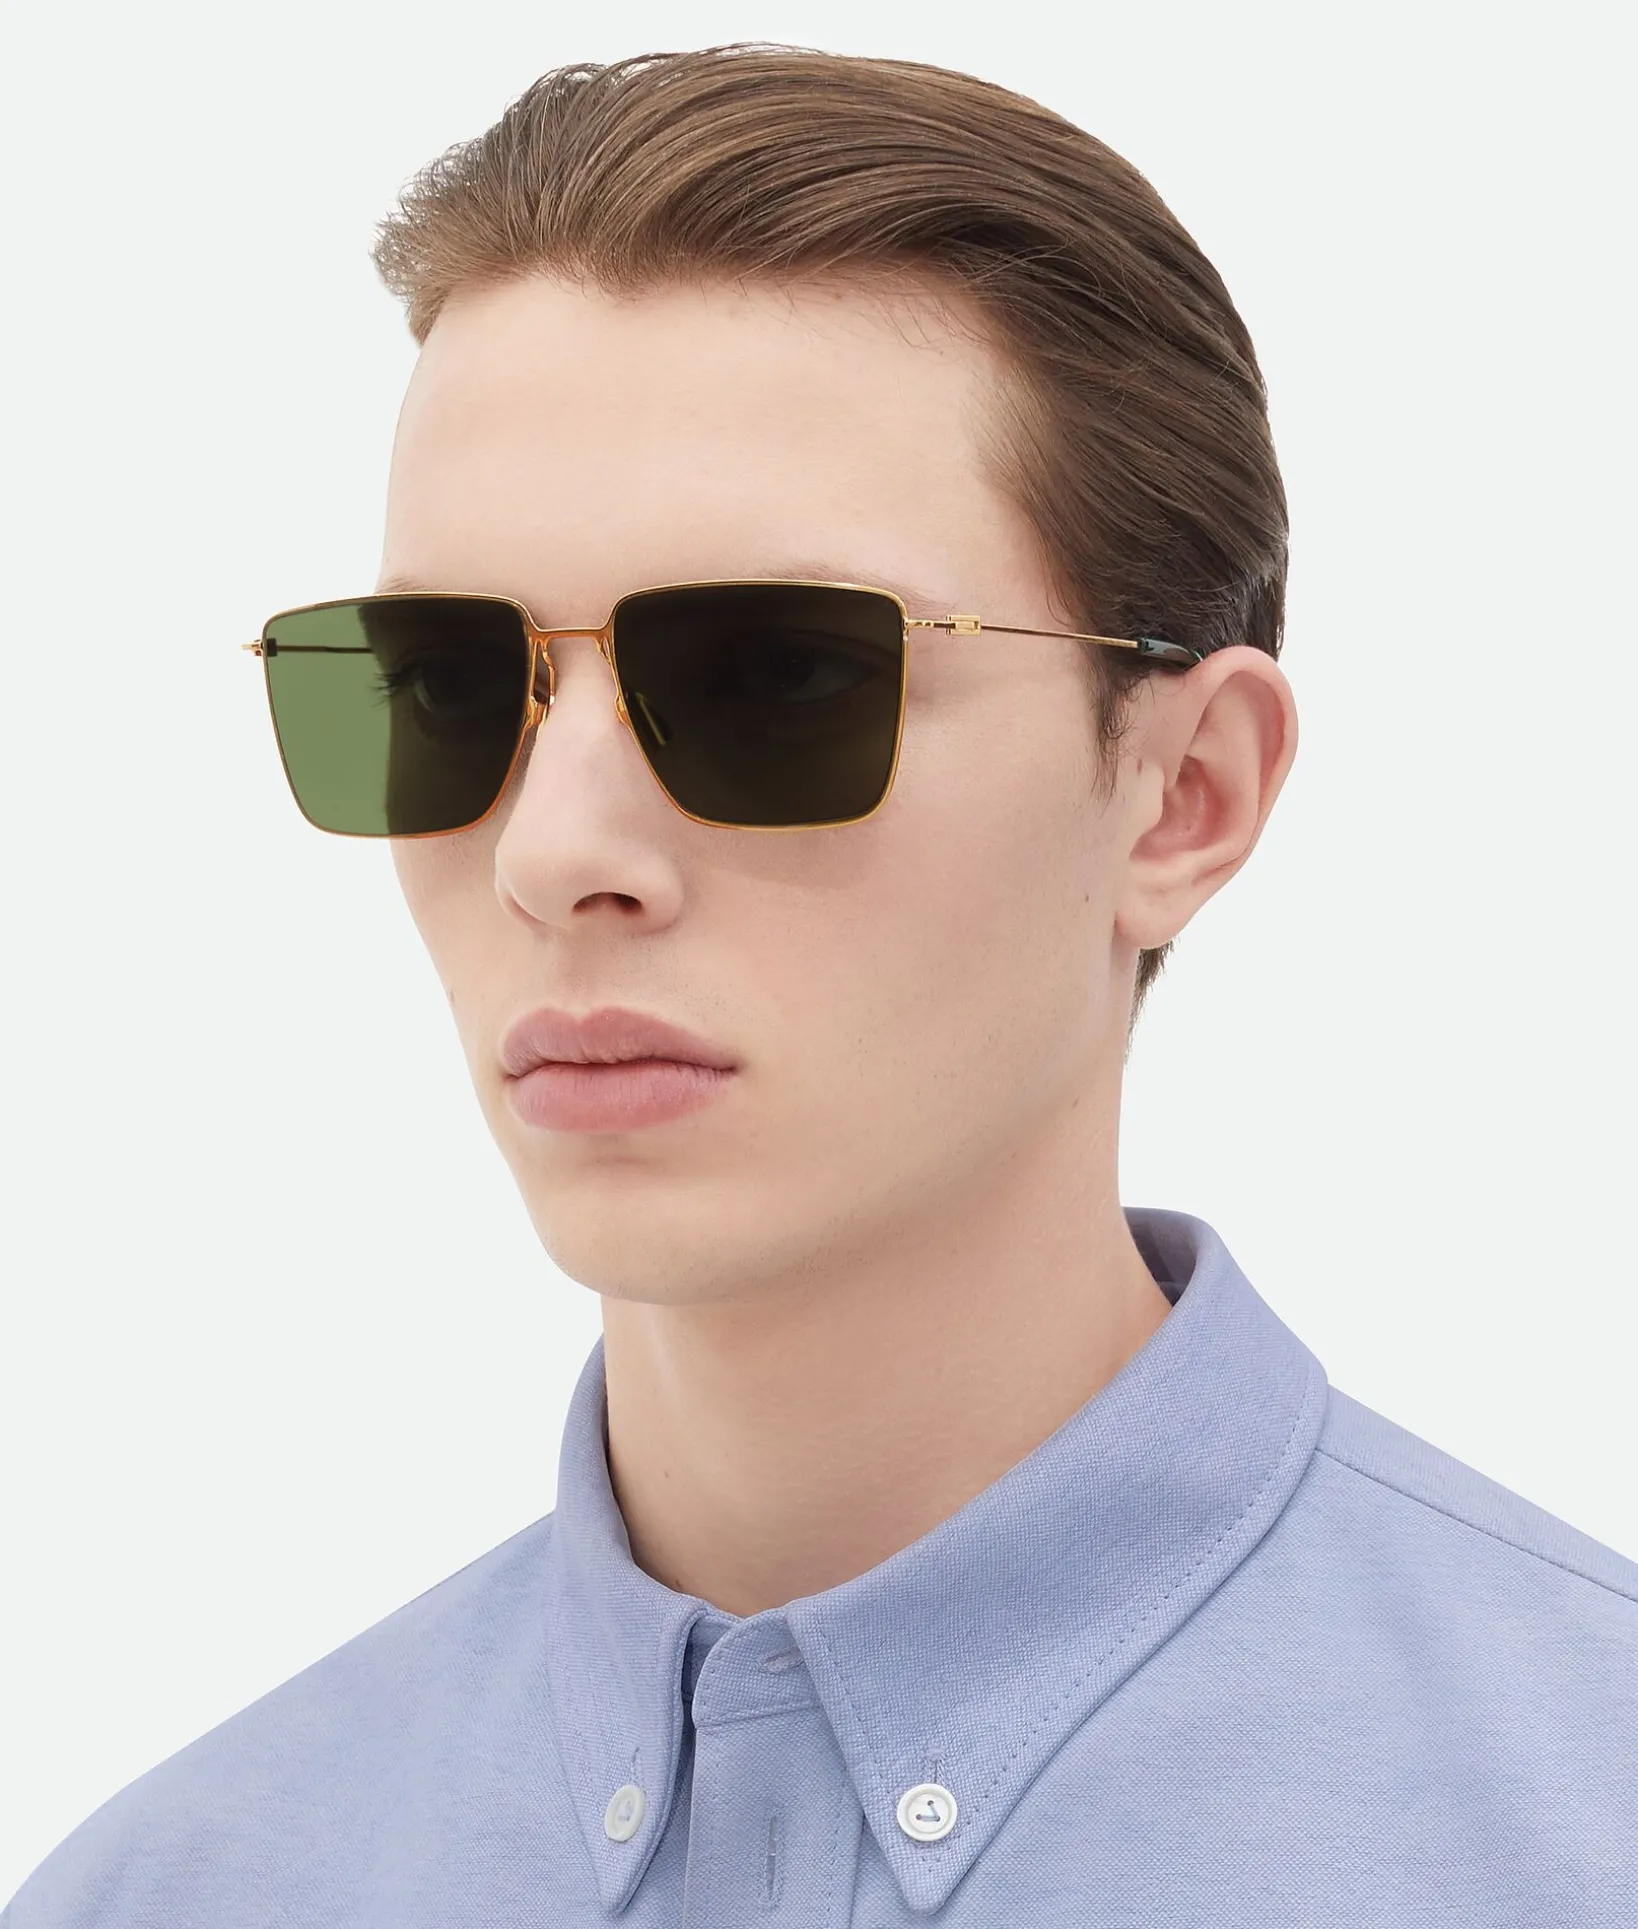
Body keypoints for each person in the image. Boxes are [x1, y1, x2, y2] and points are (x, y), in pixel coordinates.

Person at [7, 42, 1635, 1928]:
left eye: (779, 677)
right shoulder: (170, 1892)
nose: (553, 848)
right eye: (448, 685)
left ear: (1184, 792)